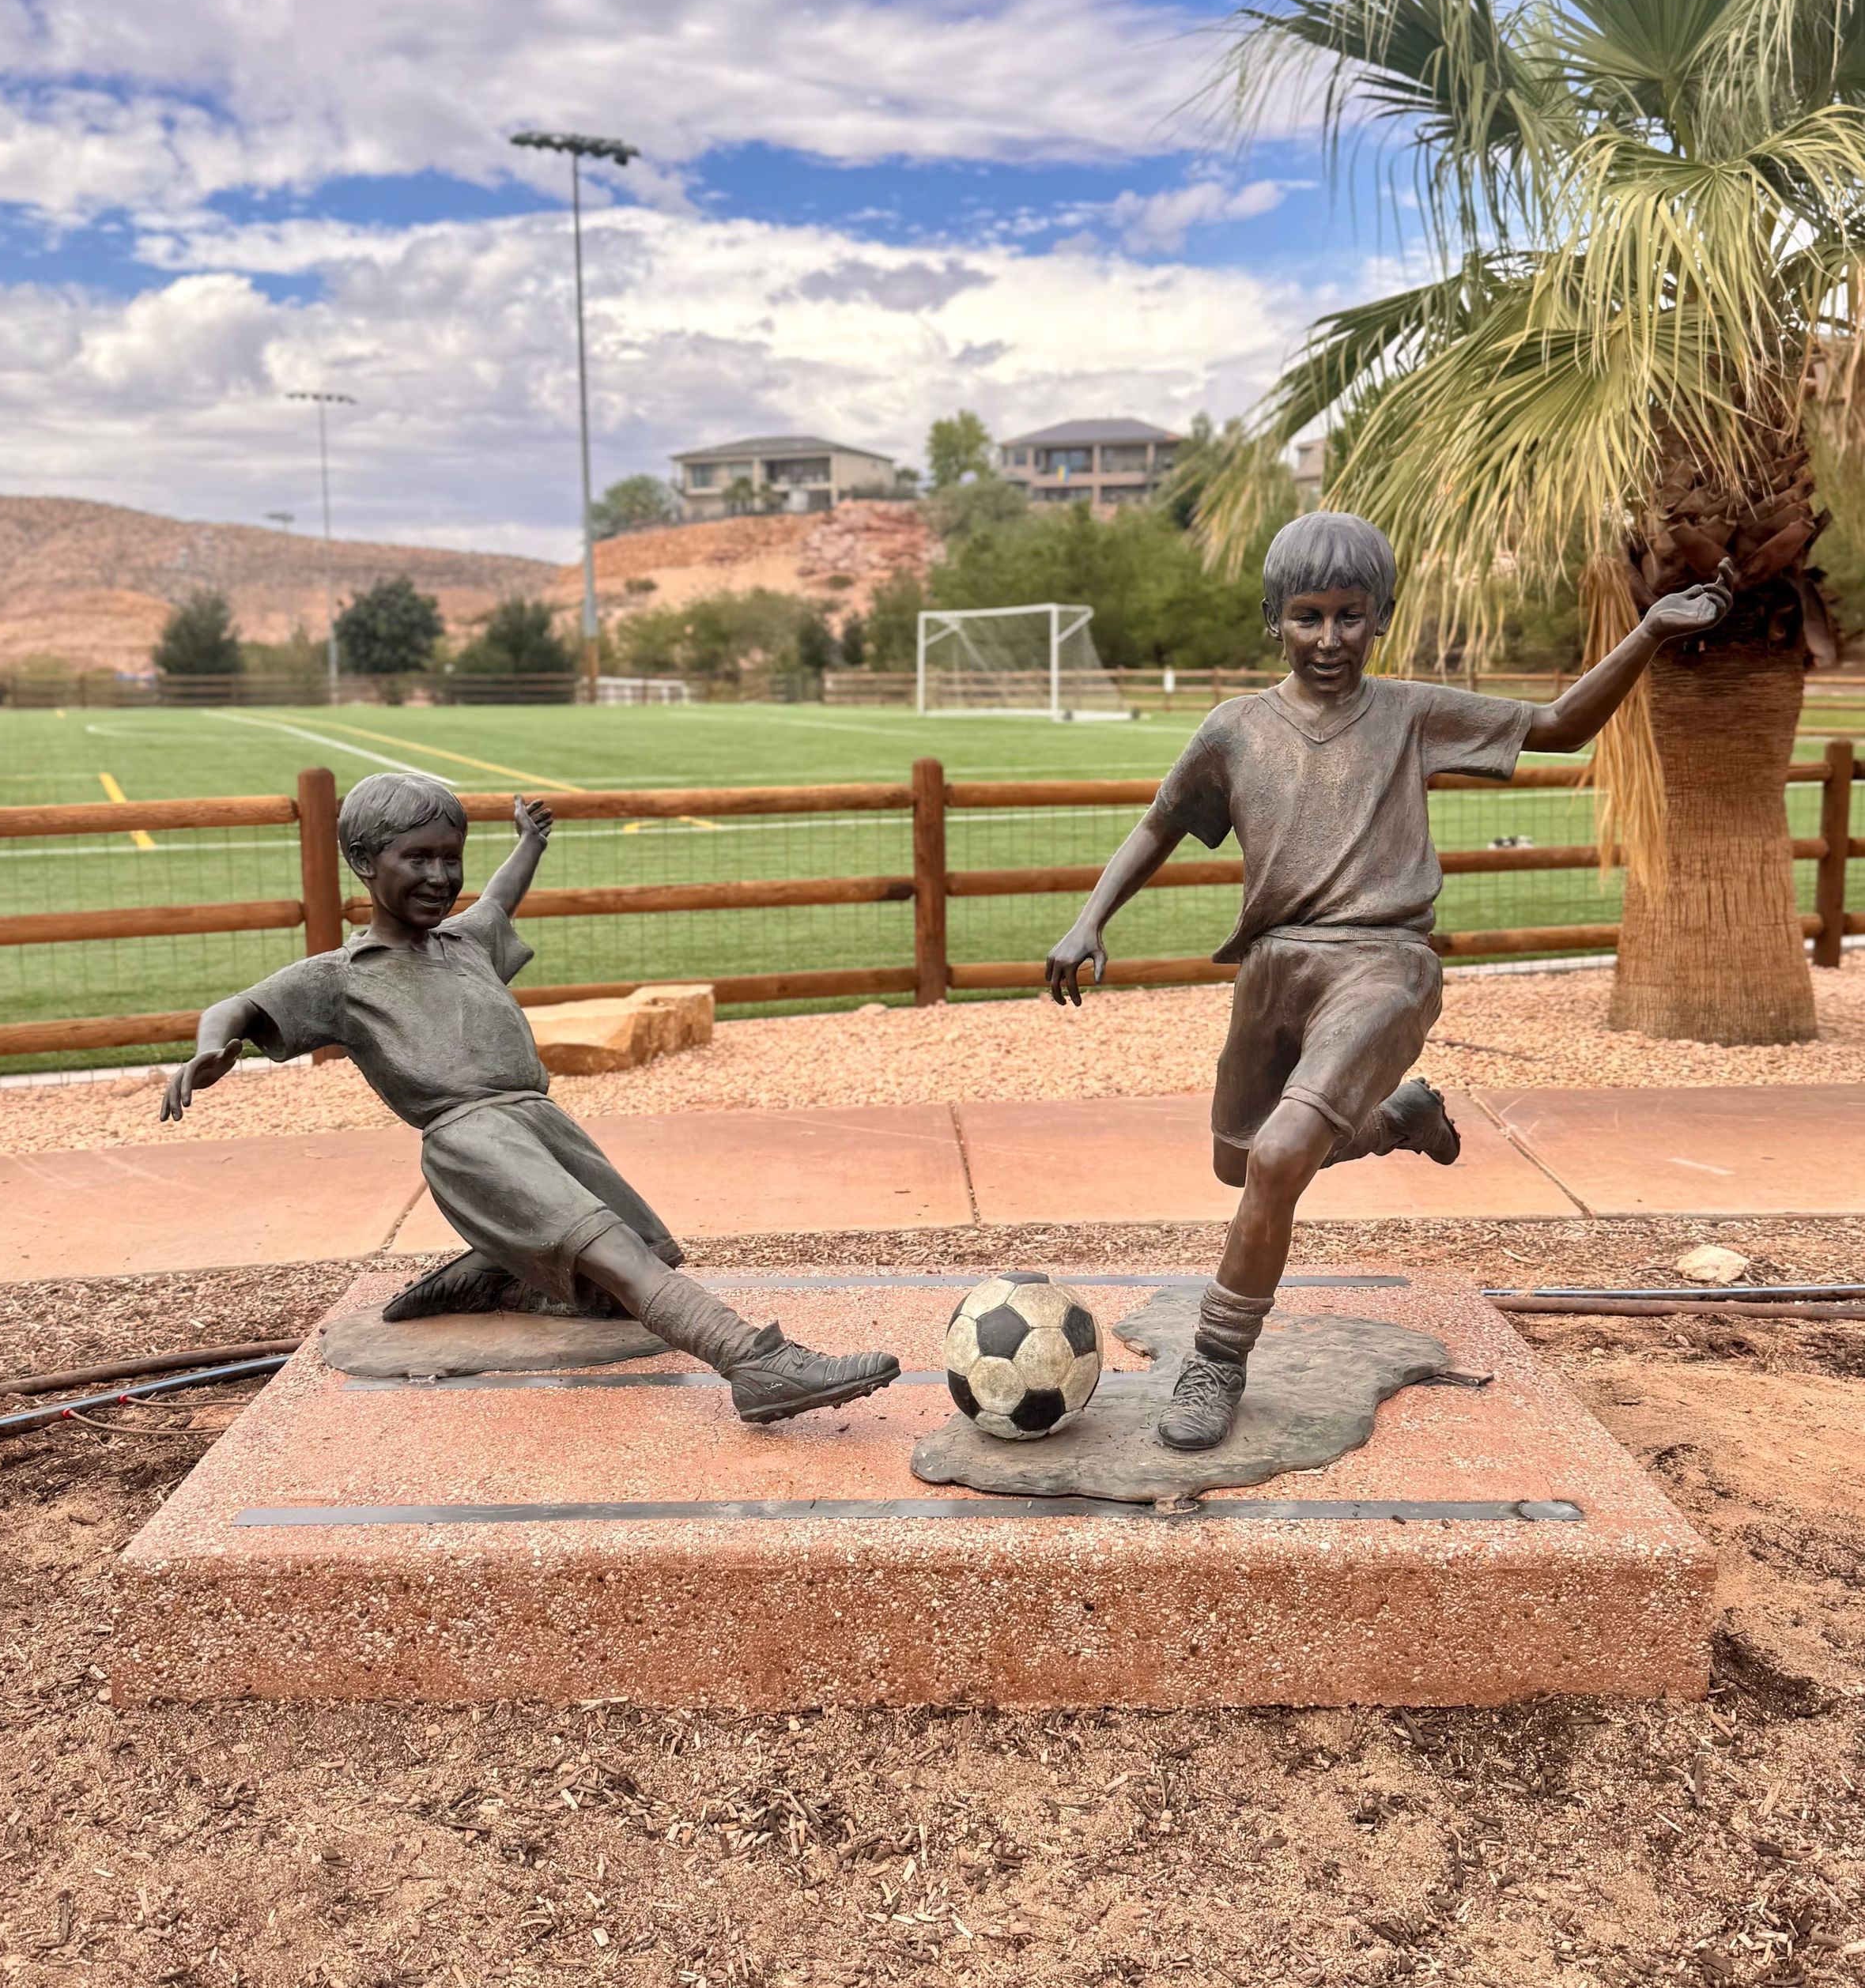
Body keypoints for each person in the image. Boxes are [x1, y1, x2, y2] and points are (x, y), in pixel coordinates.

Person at [1046, 511, 1732, 1450]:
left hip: (1383, 964)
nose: (1329, 638)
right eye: (1307, 616)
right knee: (1239, 1164)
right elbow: (1158, 824)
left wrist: (1648, 631)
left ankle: (1216, 1359)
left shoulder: (1411, 713)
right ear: (1272, 619)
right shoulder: (1233, 729)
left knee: (1278, 1157)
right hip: (1274, 966)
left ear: (1381, 617)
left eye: (1350, 615)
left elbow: (1559, 726)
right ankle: (1398, 1120)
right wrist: (1088, 916)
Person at [161, 772, 900, 1425]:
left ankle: (495, 1270)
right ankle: (755, 1363)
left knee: (631, 1270)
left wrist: (530, 843)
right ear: (363, 862)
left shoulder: (466, 941)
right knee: (618, 1258)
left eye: (450, 858)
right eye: (417, 858)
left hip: (540, 1125)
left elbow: (501, 896)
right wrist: (210, 1048)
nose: (439, 876)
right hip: (471, 1140)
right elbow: (238, 1006)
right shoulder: (341, 975)